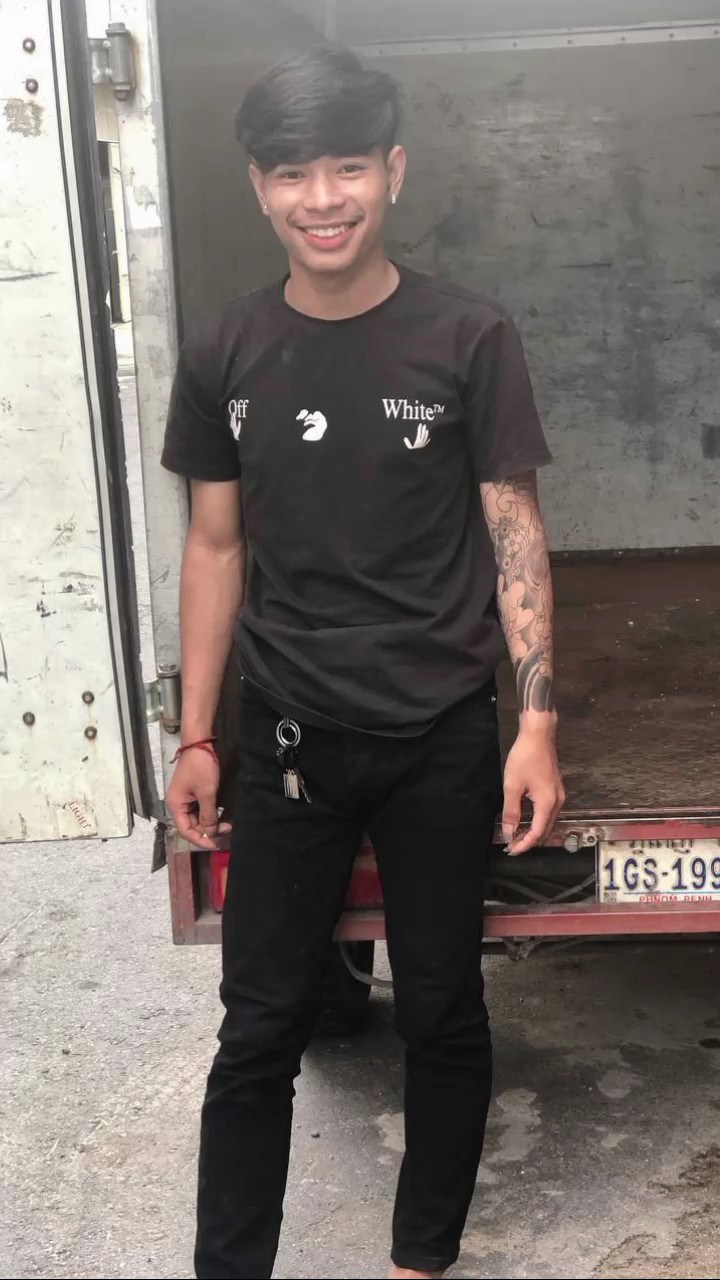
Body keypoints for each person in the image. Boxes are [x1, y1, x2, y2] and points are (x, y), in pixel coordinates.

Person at [161, 44, 564, 1280]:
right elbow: (214, 548)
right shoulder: (227, 347)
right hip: (291, 739)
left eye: (346, 166)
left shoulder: (467, 334)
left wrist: (535, 722)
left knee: (442, 1010)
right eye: (292, 172)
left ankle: (417, 1262)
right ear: (259, 186)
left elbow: (512, 528)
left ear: (393, 169)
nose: (321, 197)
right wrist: (195, 731)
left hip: (440, 735)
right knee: (259, 1030)